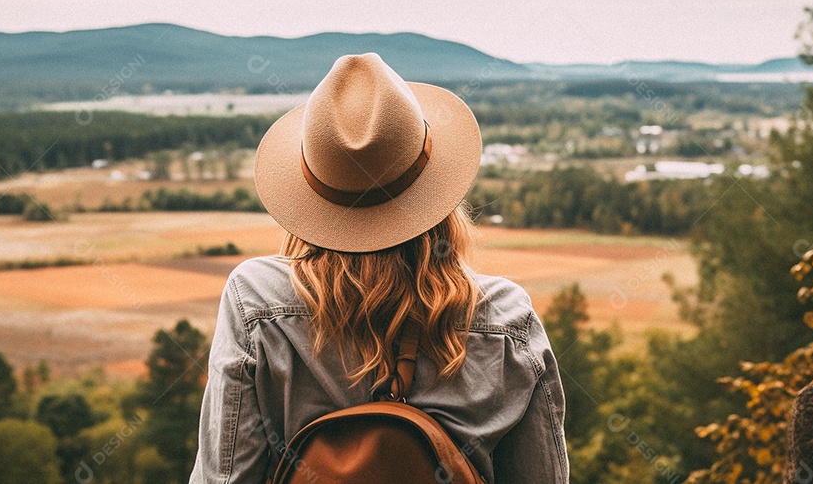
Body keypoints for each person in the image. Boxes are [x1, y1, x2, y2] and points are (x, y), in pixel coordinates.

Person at [190, 53, 569, 483]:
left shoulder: (255, 300)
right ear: (438, 197)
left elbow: (225, 478)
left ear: (309, 200)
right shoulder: (505, 318)